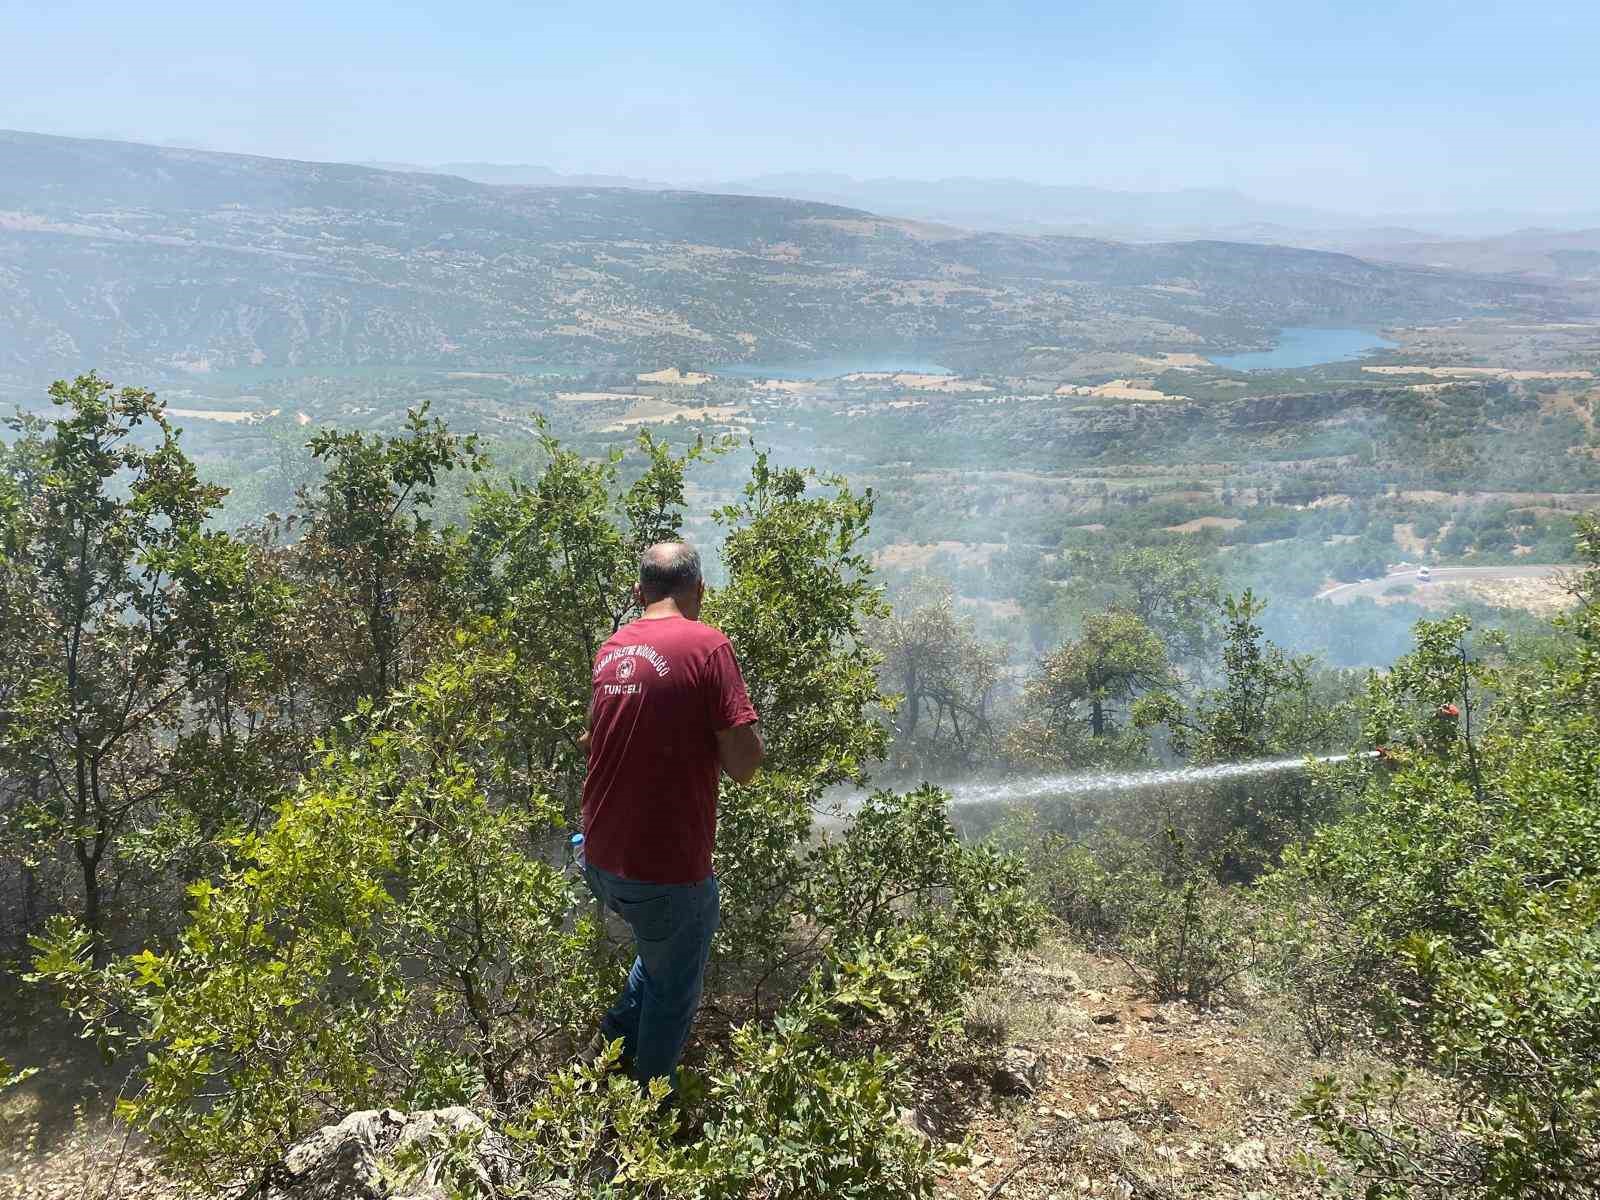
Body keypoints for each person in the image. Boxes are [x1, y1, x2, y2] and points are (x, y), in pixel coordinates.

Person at [578, 541, 763, 1090]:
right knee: (674, 993)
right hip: (665, 872)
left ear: (639, 593)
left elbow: (592, 737)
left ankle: (605, 1057)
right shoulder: (708, 646)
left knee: (658, 953)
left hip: (599, 856)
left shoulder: (612, 648)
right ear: (699, 591)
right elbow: (744, 764)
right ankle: (645, 1116)